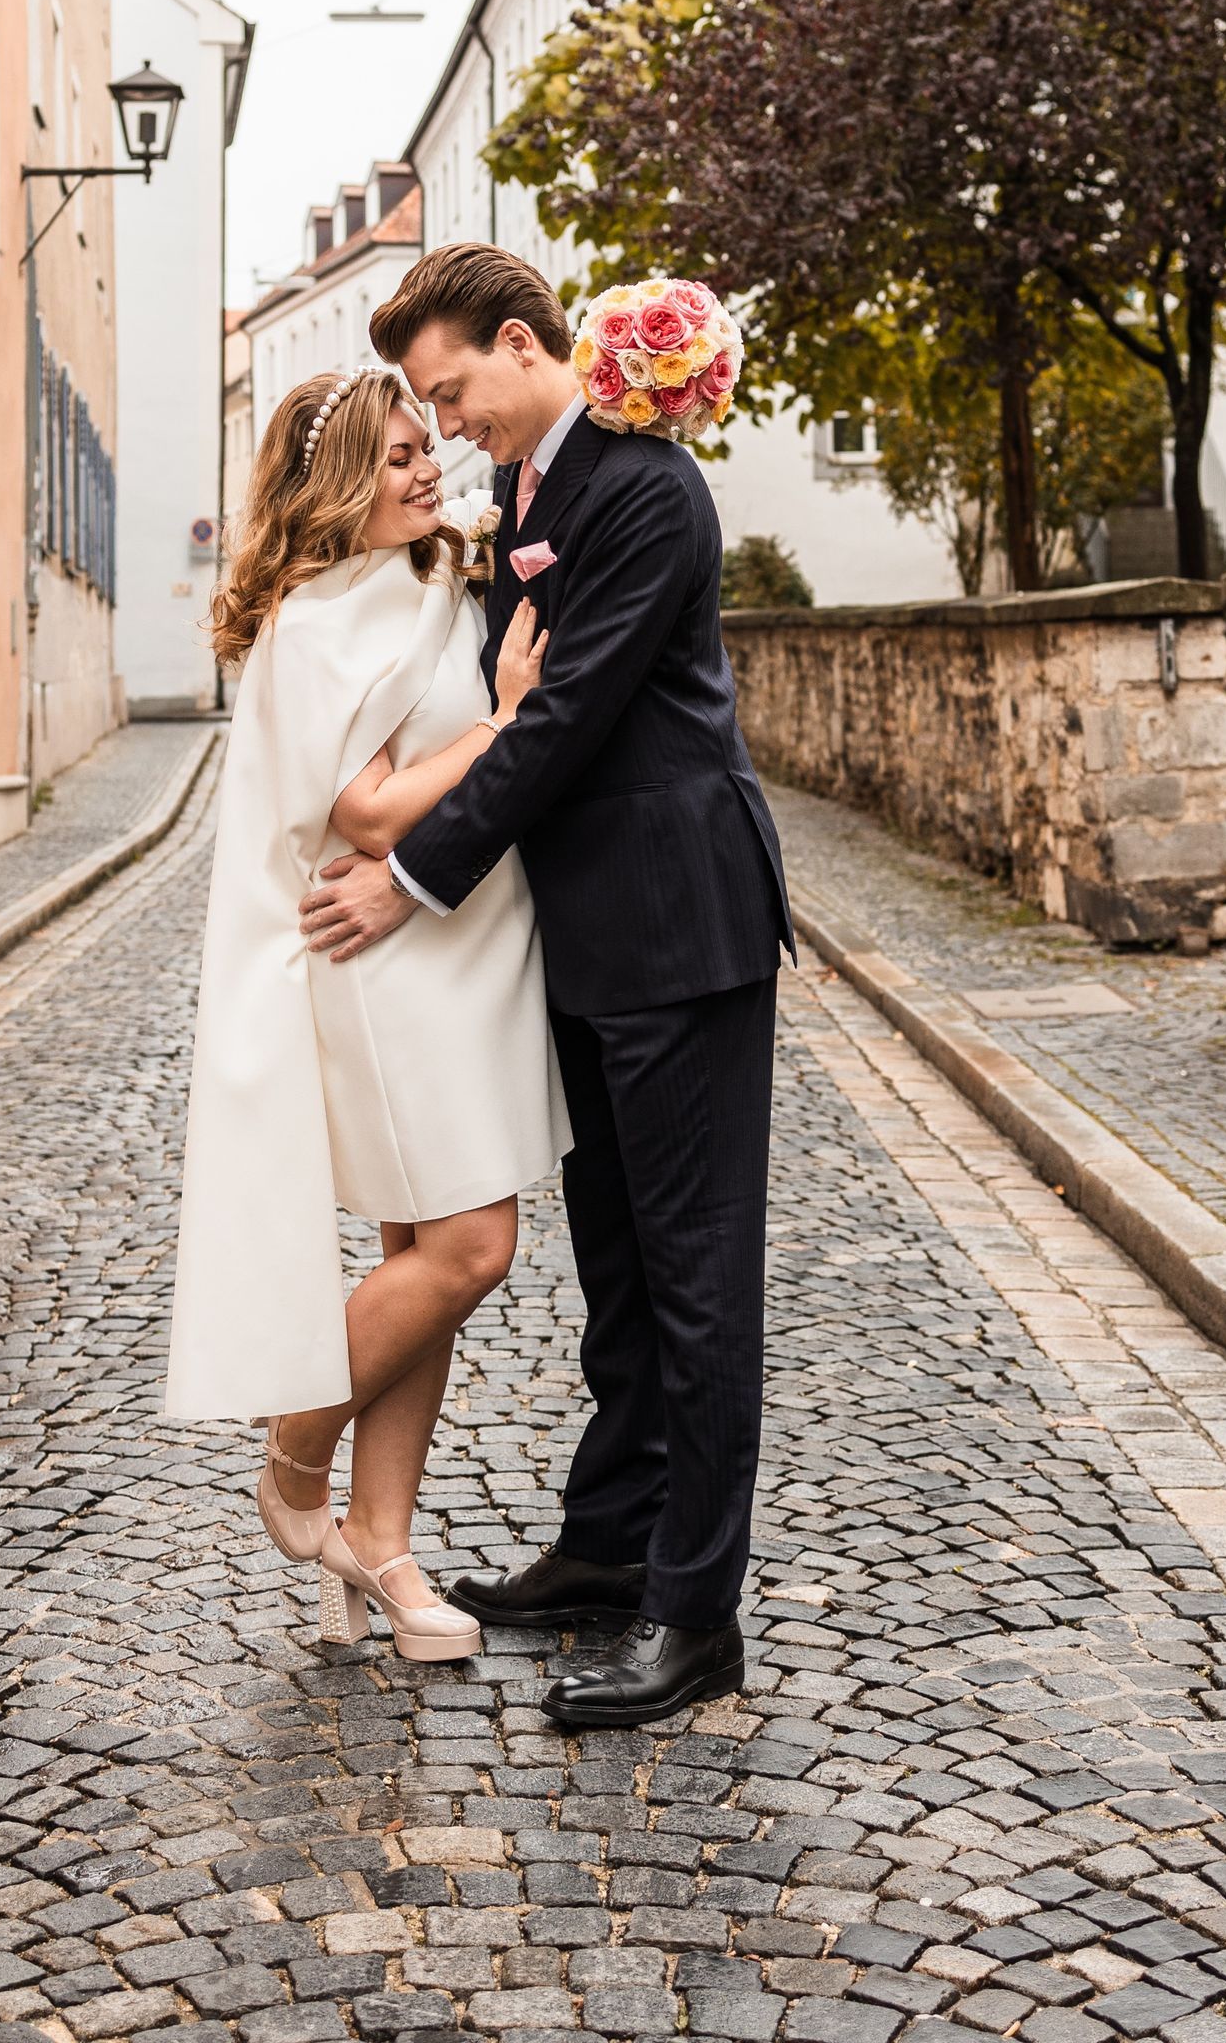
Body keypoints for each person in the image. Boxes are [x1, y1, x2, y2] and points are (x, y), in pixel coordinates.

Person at [299, 244, 794, 1729]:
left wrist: (410, 875)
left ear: (522, 346)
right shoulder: (527, 491)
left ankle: (695, 1613)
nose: (450, 430)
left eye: (456, 393)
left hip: (679, 926)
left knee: (699, 1285)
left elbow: (564, 716)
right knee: (623, 1274)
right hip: (581, 945)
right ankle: (607, 1544)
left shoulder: (648, 491)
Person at [165, 364, 568, 1664]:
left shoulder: (440, 578)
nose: (423, 468)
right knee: (469, 1248)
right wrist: (508, 716)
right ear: (339, 478)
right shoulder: (311, 622)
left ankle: (382, 1550)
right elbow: (375, 810)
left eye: (421, 448)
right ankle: (294, 1464)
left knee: (425, 1268)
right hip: (388, 963)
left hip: (473, 947)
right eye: (397, 455)